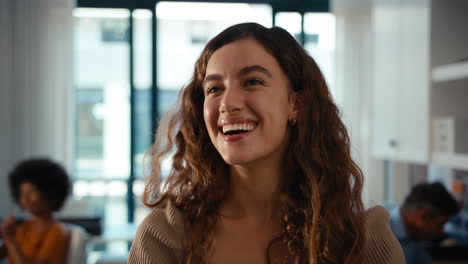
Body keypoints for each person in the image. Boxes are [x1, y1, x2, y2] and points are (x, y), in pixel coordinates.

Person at [129, 22, 404, 264]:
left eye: (253, 82)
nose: (228, 103)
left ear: (295, 105)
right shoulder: (166, 235)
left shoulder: (361, 239)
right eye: (214, 89)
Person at [0, 158, 71, 264]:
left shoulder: (57, 232)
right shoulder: (23, 227)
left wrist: (10, 240)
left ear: (50, 193)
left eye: (31, 192)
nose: (25, 199)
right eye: (21, 193)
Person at [389, 182, 460, 264]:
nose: (441, 231)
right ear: (422, 216)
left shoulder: (417, 237)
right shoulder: (379, 235)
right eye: (440, 225)